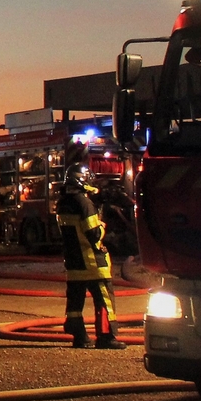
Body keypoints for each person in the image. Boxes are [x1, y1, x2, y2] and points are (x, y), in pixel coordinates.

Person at [56, 142, 120, 349]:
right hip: (93, 263)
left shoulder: (63, 202)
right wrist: (103, 225)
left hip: (74, 264)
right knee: (104, 301)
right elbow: (93, 233)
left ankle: (79, 336)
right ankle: (106, 337)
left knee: (74, 303)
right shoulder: (84, 203)